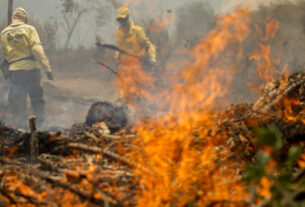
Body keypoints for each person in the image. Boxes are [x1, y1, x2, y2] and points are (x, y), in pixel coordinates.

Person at [0, 7, 53, 128]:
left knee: (17, 102)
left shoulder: (4, 33)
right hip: (32, 71)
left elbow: (6, 54)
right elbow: (37, 50)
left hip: (16, 73)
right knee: (37, 99)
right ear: (24, 18)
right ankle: (41, 127)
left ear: (13, 18)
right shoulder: (29, 29)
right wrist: (47, 69)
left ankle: (20, 130)